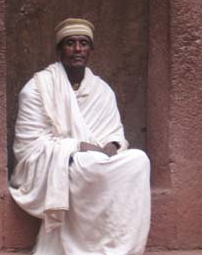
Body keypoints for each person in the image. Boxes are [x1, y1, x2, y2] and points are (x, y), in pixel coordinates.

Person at [9, 18, 151, 255]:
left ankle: (121, 248)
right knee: (90, 162)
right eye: (70, 43)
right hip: (61, 162)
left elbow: (115, 133)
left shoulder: (101, 90)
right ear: (59, 49)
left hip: (99, 161)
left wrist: (112, 146)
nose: (77, 49)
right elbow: (29, 147)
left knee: (139, 160)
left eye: (83, 43)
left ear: (91, 50)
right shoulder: (37, 88)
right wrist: (78, 146)